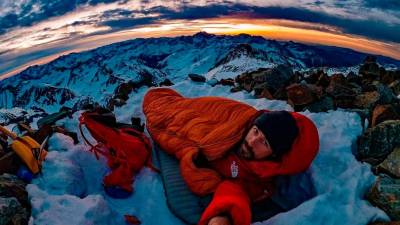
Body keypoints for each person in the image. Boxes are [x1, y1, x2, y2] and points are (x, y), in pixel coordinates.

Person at [143, 88, 319, 225]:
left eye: (264, 143)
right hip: (193, 109)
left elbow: (234, 192)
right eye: (256, 131)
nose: (252, 141)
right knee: (161, 105)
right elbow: (196, 112)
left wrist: (222, 217)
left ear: (274, 155)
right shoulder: (242, 122)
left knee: (160, 123)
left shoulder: (255, 175)